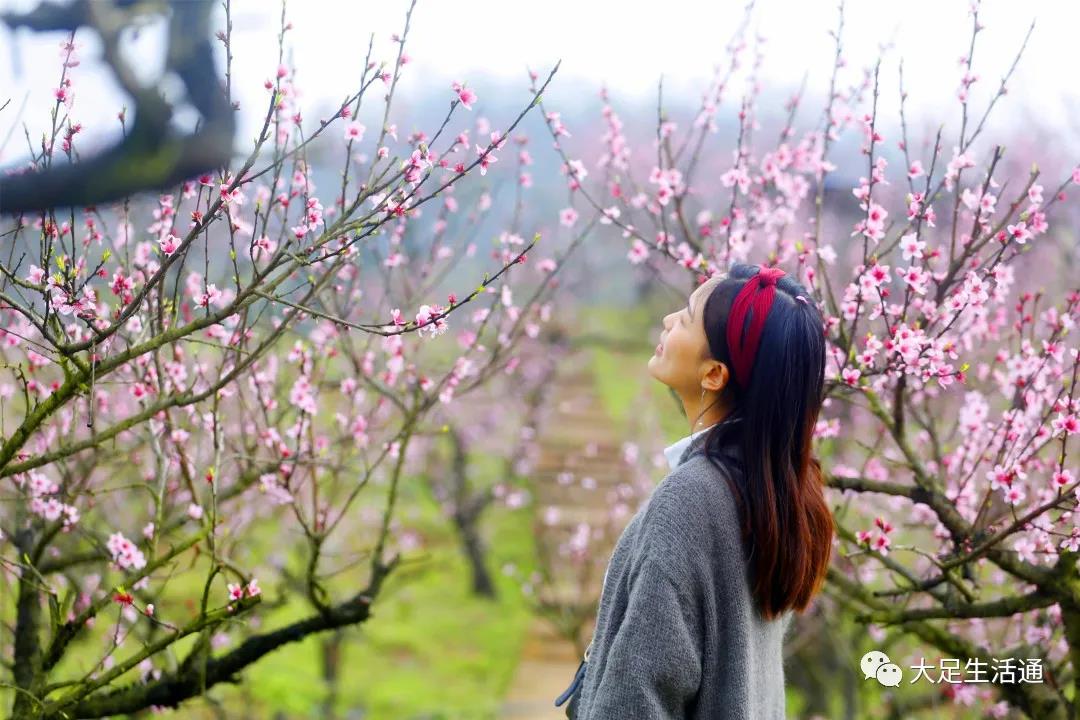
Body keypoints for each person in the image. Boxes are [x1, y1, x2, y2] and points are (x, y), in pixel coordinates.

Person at [557, 262, 834, 719]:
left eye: (686, 318)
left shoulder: (690, 501)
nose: (668, 320)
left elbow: (636, 699)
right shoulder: (774, 496)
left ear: (713, 375)